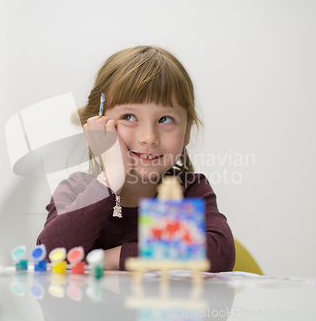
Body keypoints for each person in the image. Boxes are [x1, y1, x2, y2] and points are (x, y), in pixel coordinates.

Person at [36, 46, 235, 271]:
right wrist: (112, 177)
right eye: (129, 117)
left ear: (187, 132)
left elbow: (219, 254)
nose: (149, 137)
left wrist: (115, 257)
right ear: (98, 126)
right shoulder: (75, 190)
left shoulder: (184, 191)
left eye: (166, 119)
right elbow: (51, 257)